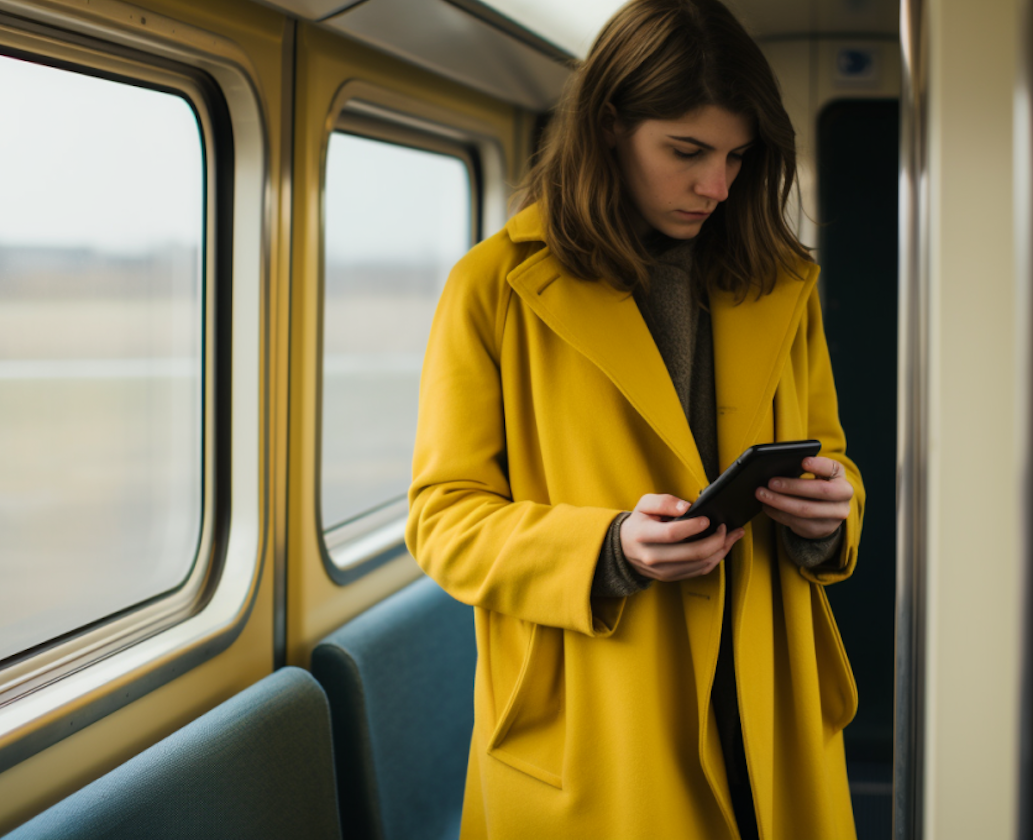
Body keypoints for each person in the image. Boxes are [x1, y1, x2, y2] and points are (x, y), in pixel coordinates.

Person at [405, 1, 864, 837]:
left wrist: (832, 511)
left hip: (768, 696)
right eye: (686, 152)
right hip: (601, 707)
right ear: (610, 127)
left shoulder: (780, 282)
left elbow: (829, 457)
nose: (717, 186)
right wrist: (608, 547)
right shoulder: (492, 287)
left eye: (736, 156)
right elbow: (442, 520)